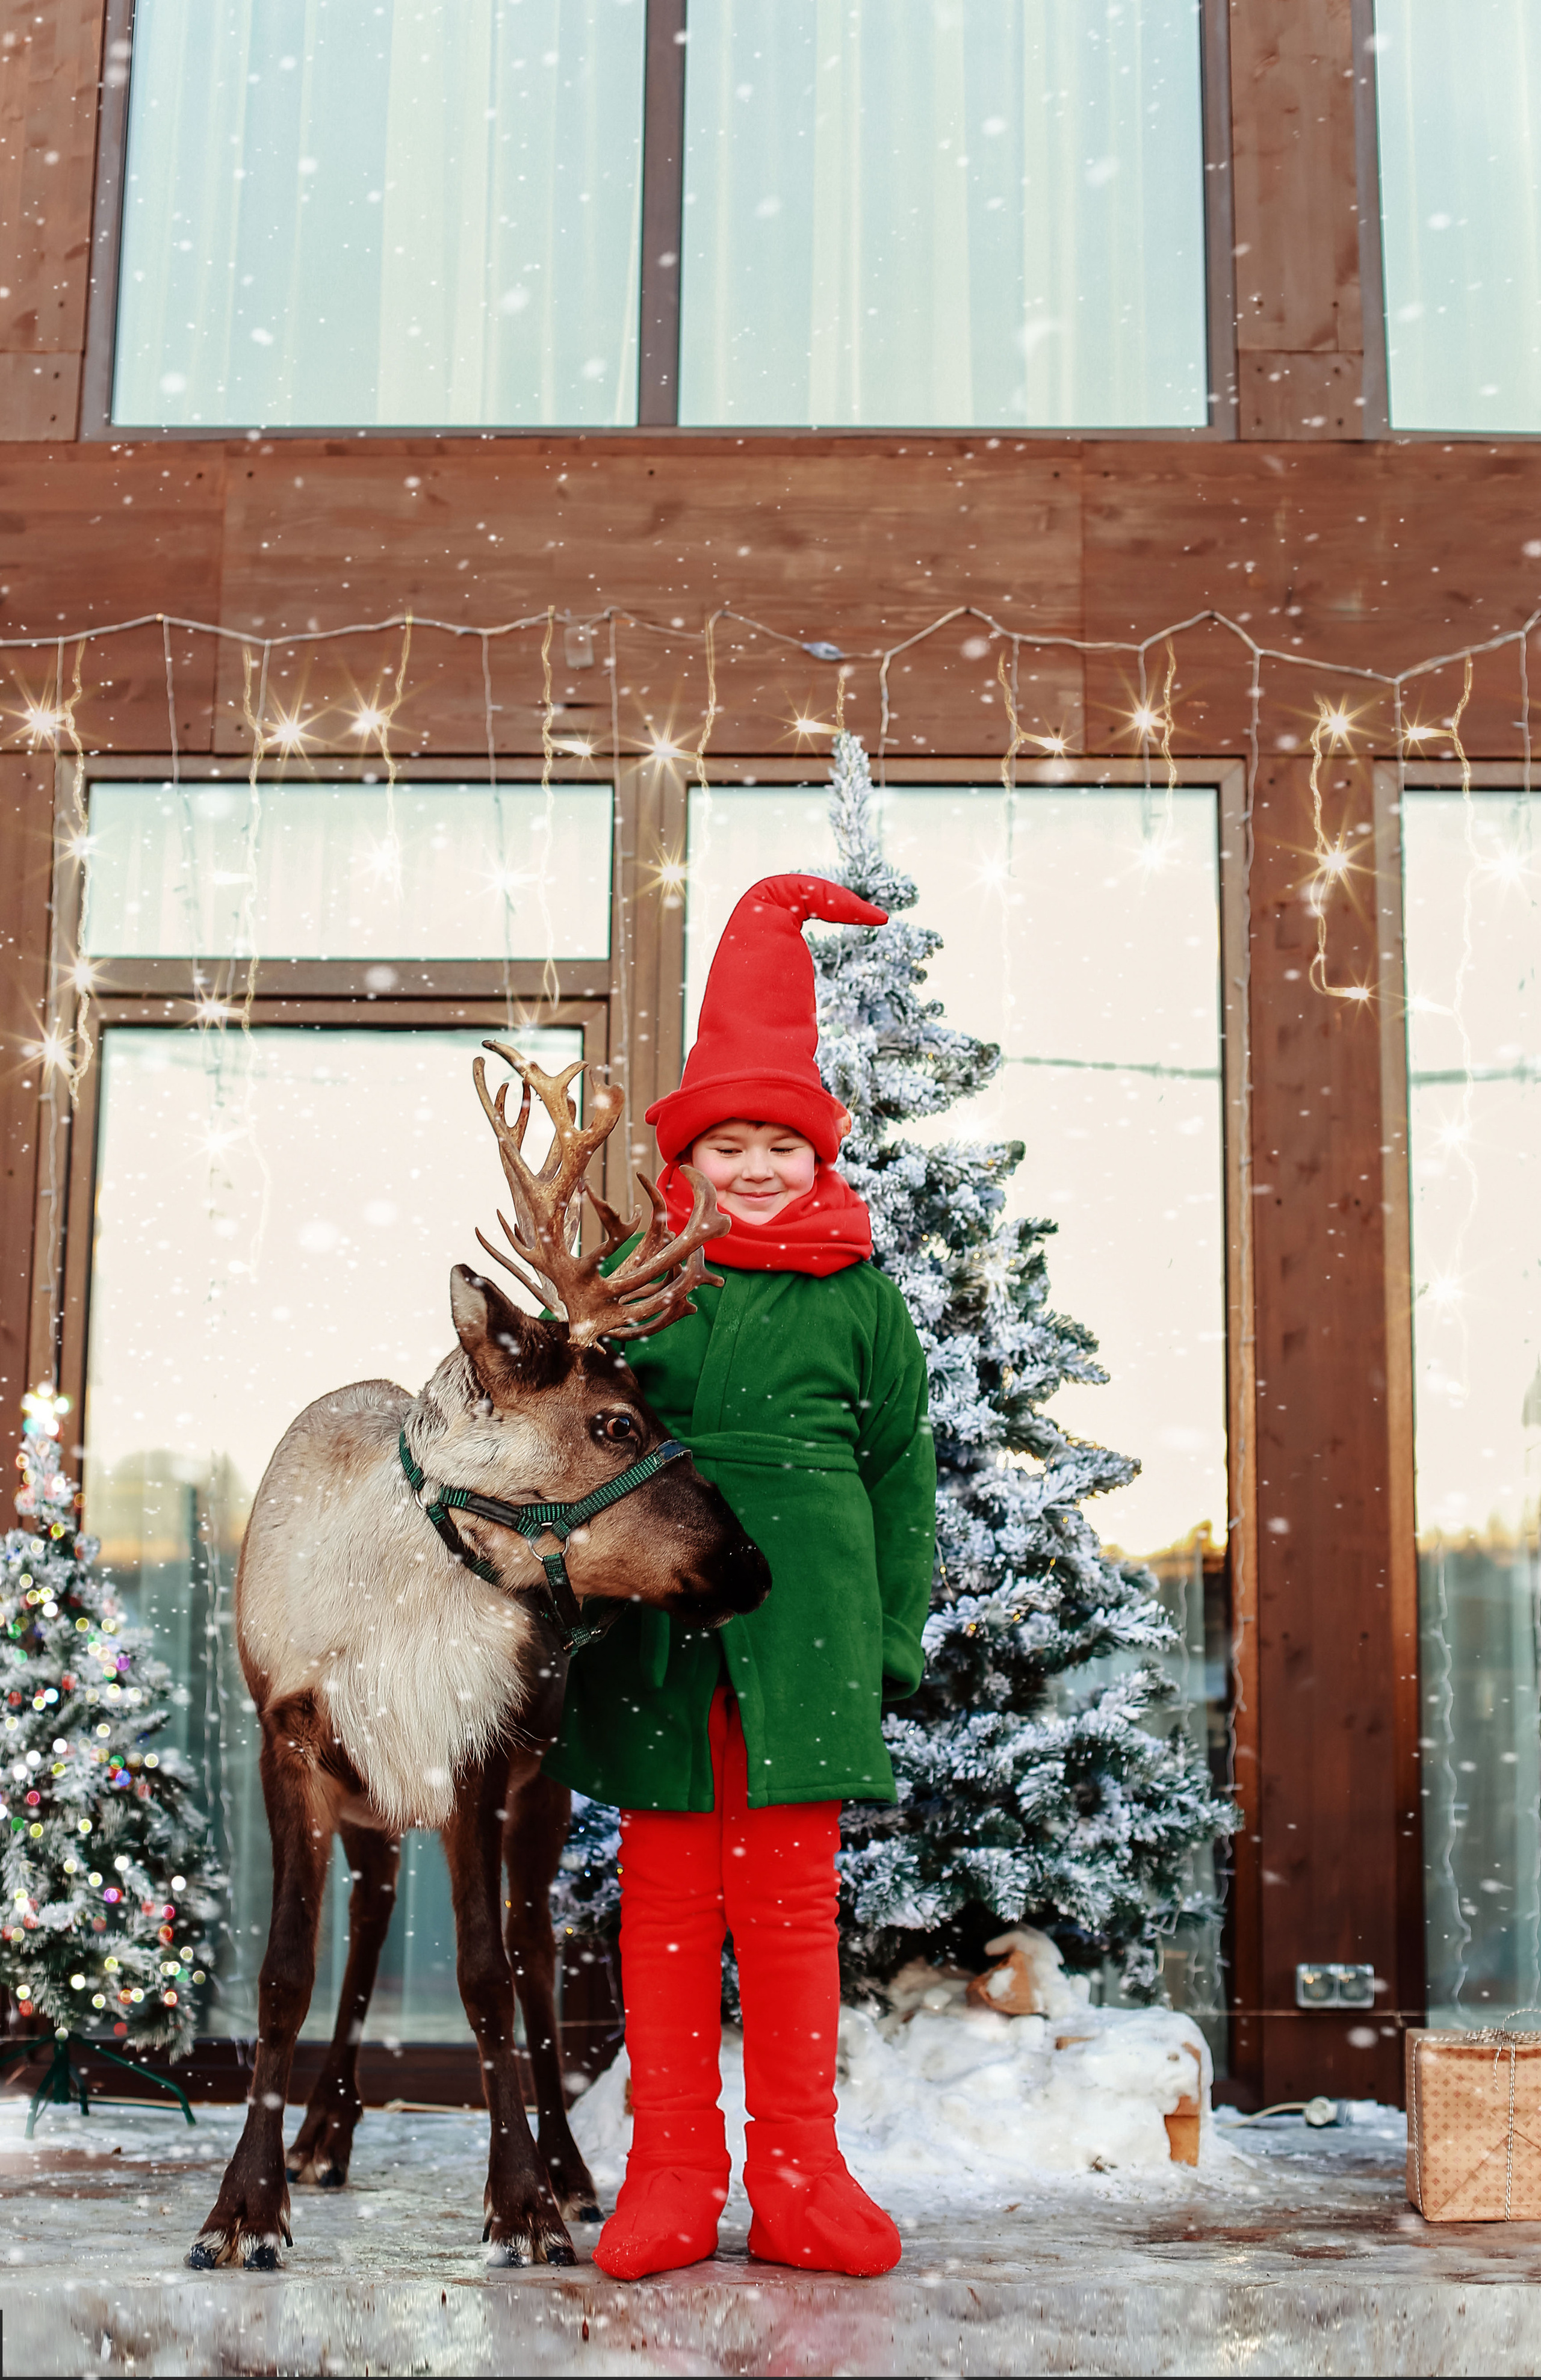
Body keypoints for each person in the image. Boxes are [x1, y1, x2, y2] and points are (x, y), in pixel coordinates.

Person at [546, 873, 937, 2281]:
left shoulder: (858, 1291)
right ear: (688, 1161)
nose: (758, 1167)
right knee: (660, 1907)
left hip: (808, 1630)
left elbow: (900, 1466)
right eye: (732, 1145)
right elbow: (562, 1431)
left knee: (784, 1912)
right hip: (657, 1627)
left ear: (816, 1157)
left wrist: (890, 1632)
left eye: (782, 1143)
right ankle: (668, 2172)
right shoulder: (633, 1279)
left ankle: (797, 2176)